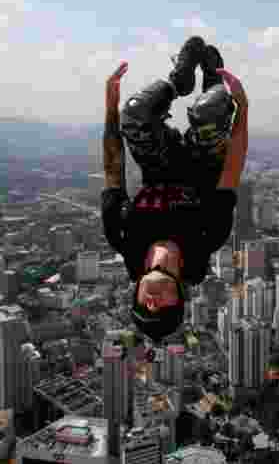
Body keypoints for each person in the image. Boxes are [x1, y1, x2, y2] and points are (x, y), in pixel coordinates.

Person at [101, 36, 248, 343]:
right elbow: (232, 171)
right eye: (162, 308)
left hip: (160, 162)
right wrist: (243, 108)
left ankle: (178, 81)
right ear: (180, 295)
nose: (153, 302)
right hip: (202, 163)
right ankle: (212, 81)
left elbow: (114, 169)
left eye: (145, 306)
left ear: (137, 293)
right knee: (210, 109)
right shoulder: (206, 238)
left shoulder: (124, 237)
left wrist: (111, 105)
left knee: (134, 114)